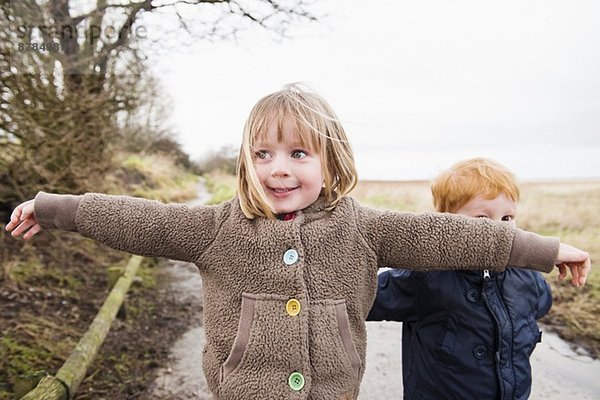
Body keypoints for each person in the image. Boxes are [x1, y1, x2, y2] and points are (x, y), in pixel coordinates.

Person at [6, 84, 590, 400]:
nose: (278, 168)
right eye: (262, 154)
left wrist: (544, 250)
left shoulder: (364, 229)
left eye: (297, 153)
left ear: (330, 161)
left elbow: (453, 236)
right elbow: (139, 219)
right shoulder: (218, 230)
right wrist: (58, 208)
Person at [367, 157, 561, 400]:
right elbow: (362, 298)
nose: (499, 231)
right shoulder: (425, 278)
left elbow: (541, 304)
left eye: (507, 218)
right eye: (482, 220)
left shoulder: (527, 277)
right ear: (445, 224)